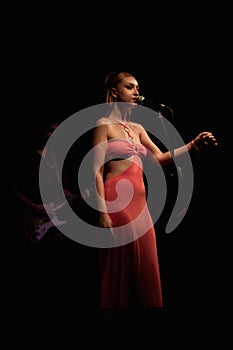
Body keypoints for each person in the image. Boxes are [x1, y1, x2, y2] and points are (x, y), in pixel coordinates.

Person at [91, 71, 218, 310]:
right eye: (130, 87)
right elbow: (95, 171)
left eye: (137, 87)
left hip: (141, 206)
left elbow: (159, 158)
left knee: (147, 267)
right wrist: (102, 212)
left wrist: (193, 145)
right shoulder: (103, 125)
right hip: (117, 202)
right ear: (114, 91)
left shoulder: (137, 128)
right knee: (124, 264)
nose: (136, 91)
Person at [15, 119, 76, 244]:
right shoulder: (28, 157)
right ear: (42, 132)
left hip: (54, 222)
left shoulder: (58, 157)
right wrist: (35, 207)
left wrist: (64, 190)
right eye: (50, 131)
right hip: (33, 220)